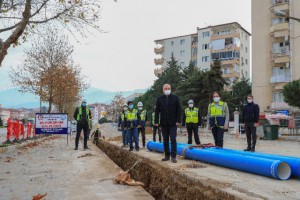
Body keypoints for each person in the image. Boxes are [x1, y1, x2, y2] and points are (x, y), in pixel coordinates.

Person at [155, 84, 181, 163]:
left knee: (173, 138)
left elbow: (179, 110)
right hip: (164, 123)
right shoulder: (159, 99)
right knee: (165, 140)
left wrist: (178, 121)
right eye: (165, 89)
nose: (167, 90)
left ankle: (173, 156)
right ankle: (167, 155)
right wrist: (156, 121)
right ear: (163, 90)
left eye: (168, 88)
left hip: (173, 123)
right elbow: (157, 111)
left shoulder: (175, 98)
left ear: (171, 89)